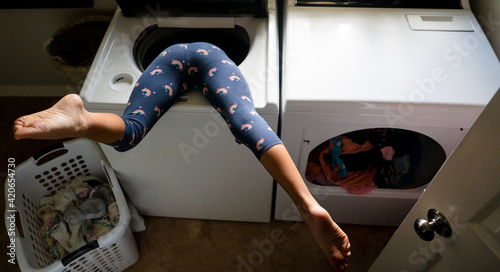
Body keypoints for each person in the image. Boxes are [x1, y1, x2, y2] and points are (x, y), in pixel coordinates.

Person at [13, 42, 351, 271]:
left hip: (168, 58)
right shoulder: (220, 50)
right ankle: (308, 205)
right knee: (245, 119)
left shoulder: (166, 44)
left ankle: (83, 119)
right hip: (214, 58)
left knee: (131, 130)